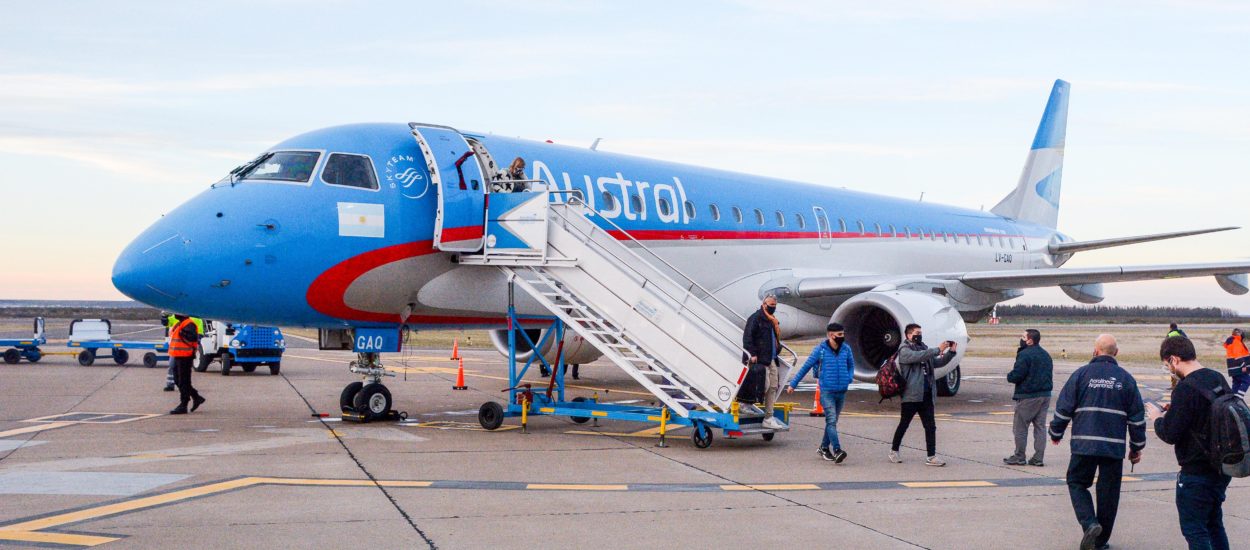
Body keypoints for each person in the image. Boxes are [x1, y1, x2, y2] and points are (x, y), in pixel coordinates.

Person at [1049, 334, 1146, 550]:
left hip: (1084, 444)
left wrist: (1056, 432)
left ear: (1095, 351)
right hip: (1113, 446)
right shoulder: (1126, 379)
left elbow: (1064, 407)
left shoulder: (1081, 375)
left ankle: (1090, 523)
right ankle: (1100, 542)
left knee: (1076, 482)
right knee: (1109, 494)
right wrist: (1136, 447)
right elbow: (1137, 418)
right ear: (1116, 353)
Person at [1148, 335, 1233, 550]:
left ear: (1174, 359)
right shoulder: (1217, 378)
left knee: (1194, 530)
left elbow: (1170, 434)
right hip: (1221, 468)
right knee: (1214, 524)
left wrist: (1158, 417)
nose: (1169, 369)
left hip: (1197, 471)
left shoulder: (1185, 389)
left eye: (1168, 364)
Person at [889, 323, 956, 466]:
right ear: (908, 335)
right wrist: (938, 349)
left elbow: (937, 362)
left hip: (926, 394)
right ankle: (894, 450)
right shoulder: (905, 350)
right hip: (911, 395)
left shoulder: (924, 348)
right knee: (904, 424)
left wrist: (951, 352)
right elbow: (917, 357)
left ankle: (931, 456)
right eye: (916, 333)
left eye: (920, 332)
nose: (919, 335)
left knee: (930, 426)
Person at [786, 322, 854, 462]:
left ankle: (823, 447)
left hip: (841, 391)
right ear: (830, 335)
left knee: (832, 423)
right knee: (831, 420)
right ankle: (837, 450)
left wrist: (849, 378)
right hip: (827, 391)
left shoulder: (846, 349)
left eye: (843, 334)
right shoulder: (820, 350)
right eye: (839, 335)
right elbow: (805, 367)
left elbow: (851, 365)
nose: (842, 337)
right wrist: (793, 384)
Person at [1004, 328, 1053, 466]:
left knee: (1020, 427)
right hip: (1045, 395)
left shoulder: (1025, 355)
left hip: (1028, 396)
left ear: (1030, 341)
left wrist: (1010, 376)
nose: (1021, 339)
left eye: (1023, 337)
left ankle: (1019, 456)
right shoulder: (1045, 354)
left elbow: (1017, 375)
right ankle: (1038, 458)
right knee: (1040, 427)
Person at [743, 294, 786, 429]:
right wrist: (752, 354)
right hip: (760, 358)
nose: (773, 308)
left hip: (772, 358)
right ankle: (745, 404)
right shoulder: (756, 318)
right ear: (764, 304)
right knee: (764, 385)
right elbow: (748, 337)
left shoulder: (772, 321)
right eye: (770, 305)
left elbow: (774, 339)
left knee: (773, 386)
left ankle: (768, 417)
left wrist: (777, 348)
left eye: (774, 306)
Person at [168, 314, 205, 415]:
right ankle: (196, 397)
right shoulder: (180, 324)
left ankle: (183, 404)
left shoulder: (189, 324)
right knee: (178, 380)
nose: (175, 314)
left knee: (184, 381)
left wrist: (183, 332)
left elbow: (192, 338)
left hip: (185, 356)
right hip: (178, 355)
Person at [1222, 328, 1249, 397]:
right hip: (1238, 367)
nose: (1243, 334)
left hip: (1233, 368)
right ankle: (1238, 397)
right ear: (1237, 333)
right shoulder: (1236, 342)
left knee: (1236, 383)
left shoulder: (1233, 341)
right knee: (1247, 380)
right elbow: (1237, 355)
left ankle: (1232, 398)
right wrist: (1243, 365)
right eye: (1241, 332)